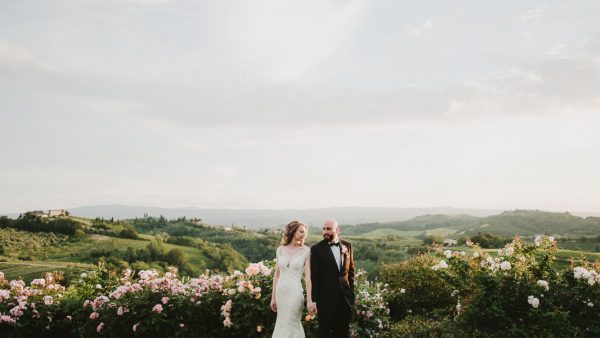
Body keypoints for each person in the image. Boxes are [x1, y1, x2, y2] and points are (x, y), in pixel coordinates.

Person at [310, 219, 355, 338]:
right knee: (324, 333)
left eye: (328, 229)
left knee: (342, 332)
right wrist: (314, 300)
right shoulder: (316, 249)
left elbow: (350, 273)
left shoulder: (347, 246)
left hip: (344, 301)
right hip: (325, 301)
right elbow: (314, 277)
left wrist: (352, 295)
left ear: (337, 230)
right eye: (324, 229)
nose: (325, 232)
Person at [271, 220, 315, 338]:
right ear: (293, 231)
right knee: (282, 322)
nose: (304, 234)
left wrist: (310, 300)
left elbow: (308, 278)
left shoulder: (306, 251)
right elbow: (276, 275)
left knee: (293, 322)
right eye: (301, 231)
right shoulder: (280, 250)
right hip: (281, 292)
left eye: (305, 233)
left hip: (295, 292)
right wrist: (273, 298)